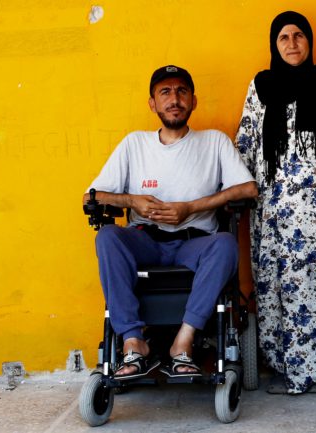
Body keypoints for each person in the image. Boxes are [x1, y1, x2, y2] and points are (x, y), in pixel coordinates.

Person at [86, 65, 258, 380]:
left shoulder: (214, 142)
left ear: (193, 100)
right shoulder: (134, 144)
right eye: (165, 92)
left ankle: (184, 342)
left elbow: (248, 189)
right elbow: (91, 198)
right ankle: (134, 343)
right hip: (145, 241)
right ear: (153, 103)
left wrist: (190, 208)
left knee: (225, 243)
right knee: (108, 237)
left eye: (181, 91)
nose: (174, 99)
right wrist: (131, 200)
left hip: (195, 243)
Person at [235, 11, 316, 394]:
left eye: (299, 36)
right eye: (284, 38)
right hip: (274, 207)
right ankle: (286, 367)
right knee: (279, 283)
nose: (292, 44)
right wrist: (241, 188)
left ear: (309, 41)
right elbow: (246, 139)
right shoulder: (261, 85)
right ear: (274, 44)